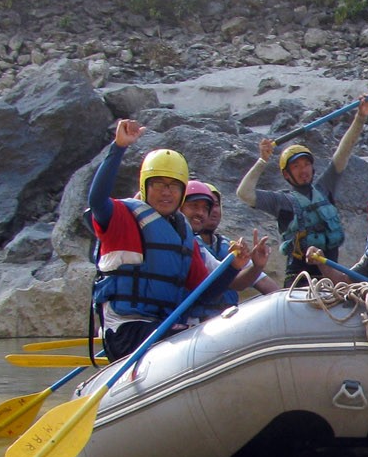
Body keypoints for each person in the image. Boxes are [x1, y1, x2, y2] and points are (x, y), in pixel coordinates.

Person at [88, 120, 269, 359]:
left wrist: (233, 267)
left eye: (173, 186)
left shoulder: (184, 237)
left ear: (182, 191)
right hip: (127, 329)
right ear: (145, 186)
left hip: (164, 326)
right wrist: (118, 147)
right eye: (159, 184)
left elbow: (203, 293)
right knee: (190, 341)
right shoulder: (122, 218)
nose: (166, 192)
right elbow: (97, 201)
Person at [237, 96, 368, 285]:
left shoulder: (324, 188)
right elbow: (244, 193)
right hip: (299, 280)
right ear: (286, 175)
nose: (303, 170)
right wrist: (262, 160)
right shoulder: (281, 202)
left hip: (330, 276)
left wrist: (360, 117)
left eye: (306, 164)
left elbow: (343, 153)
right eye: (296, 167)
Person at [182, 181, 280, 296]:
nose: (212, 210)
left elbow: (260, 282)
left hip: (228, 313)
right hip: (196, 312)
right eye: (195, 205)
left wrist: (257, 266)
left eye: (215, 205)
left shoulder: (229, 245)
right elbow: (230, 281)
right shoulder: (188, 241)